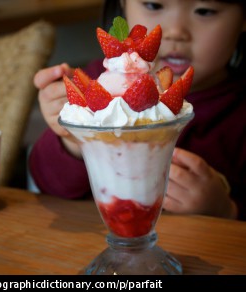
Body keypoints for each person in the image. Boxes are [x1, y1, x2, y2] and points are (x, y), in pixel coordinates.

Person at [29, 0, 246, 220]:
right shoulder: (96, 90)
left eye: (204, 11)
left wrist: (227, 209)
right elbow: (48, 183)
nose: (175, 32)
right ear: (122, 4)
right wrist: (75, 138)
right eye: (153, 5)